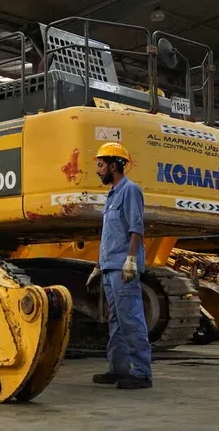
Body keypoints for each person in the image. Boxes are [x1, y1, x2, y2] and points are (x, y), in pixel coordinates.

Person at [86, 142, 152, 389]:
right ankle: (119, 369)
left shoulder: (130, 191)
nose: (98, 170)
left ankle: (142, 373)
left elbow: (136, 228)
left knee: (131, 318)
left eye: (101, 165)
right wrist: (98, 266)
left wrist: (131, 260)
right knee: (116, 320)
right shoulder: (112, 195)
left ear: (114, 165)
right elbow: (110, 235)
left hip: (123, 267)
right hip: (110, 266)